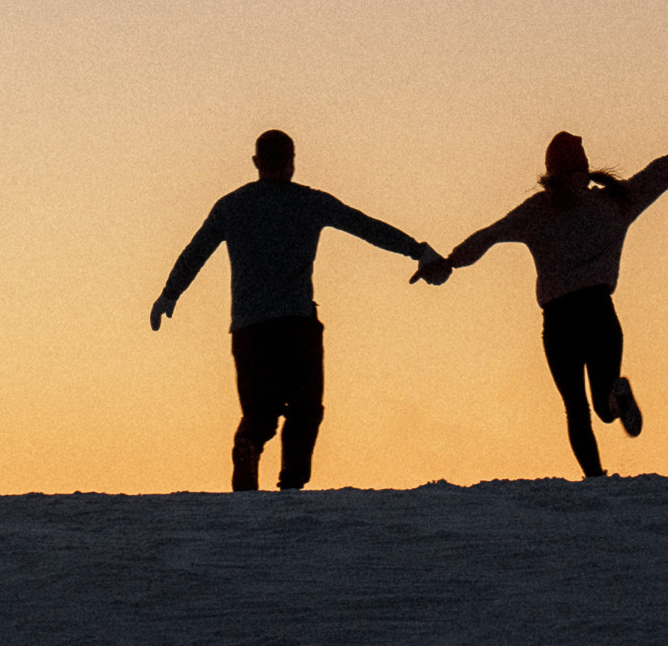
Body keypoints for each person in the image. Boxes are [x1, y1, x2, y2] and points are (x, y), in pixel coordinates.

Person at [151, 129, 450, 490]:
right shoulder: (310, 202)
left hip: (250, 328)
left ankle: (249, 446)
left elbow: (195, 251)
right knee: (305, 409)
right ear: (292, 162)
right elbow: (365, 226)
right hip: (297, 325)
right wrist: (418, 250)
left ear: (256, 163)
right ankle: (292, 484)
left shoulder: (231, 205)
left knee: (259, 414)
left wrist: (170, 294)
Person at [442, 110, 668, 477]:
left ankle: (595, 478)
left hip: (559, 323)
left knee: (575, 407)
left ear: (549, 174)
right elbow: (658, 175)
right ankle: (615, 396)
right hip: (599, 315)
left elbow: (488, 235)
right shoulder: (611, 203)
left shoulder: (537, 211)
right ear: (583, 169)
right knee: (603, 407)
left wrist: (450, 263)